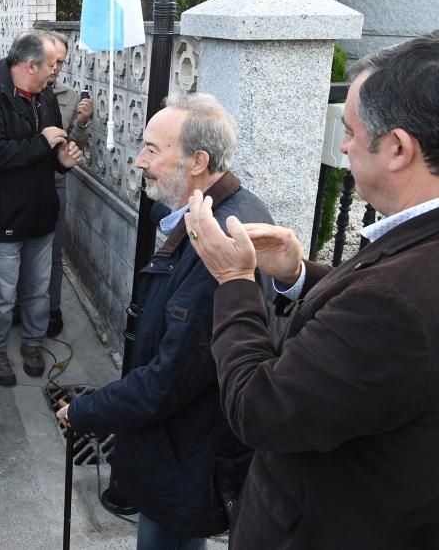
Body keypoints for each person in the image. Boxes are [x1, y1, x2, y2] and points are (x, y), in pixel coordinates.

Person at [182, 34, 439, 547]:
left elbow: (261, 410)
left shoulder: (396, 303)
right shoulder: (413, 252)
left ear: (397, 148)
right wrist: (296, 272)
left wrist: (234, 283)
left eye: (349, 131)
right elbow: (370, 321)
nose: (342, 146)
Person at [56, 94, 272, 549]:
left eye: (153, 150)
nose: (139, 161)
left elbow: (168, 379)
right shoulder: (207, 209)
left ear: (197, 161)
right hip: (181, 446)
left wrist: (85, 410)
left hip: (187, 453)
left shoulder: (218, 243)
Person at [0, 31, 83, 386]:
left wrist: (62, 161)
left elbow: (48, 153)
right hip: (3, 217)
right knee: (1, 295)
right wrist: (40, 143)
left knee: (38, 289)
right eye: (51, 65)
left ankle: (33, 342)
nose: (55, 72)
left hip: (42, 212)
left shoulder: (43, 97)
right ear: (30, 65)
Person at [46, 32, 91, 337]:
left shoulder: (70, 97)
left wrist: (83, 123)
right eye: (51, 60)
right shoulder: (16, 90)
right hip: (20, 185)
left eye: (60, 62)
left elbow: (74, 147)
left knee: (52, 252)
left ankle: (52, 308)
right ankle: (21, 305)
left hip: (55, 184)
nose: (55, 67)